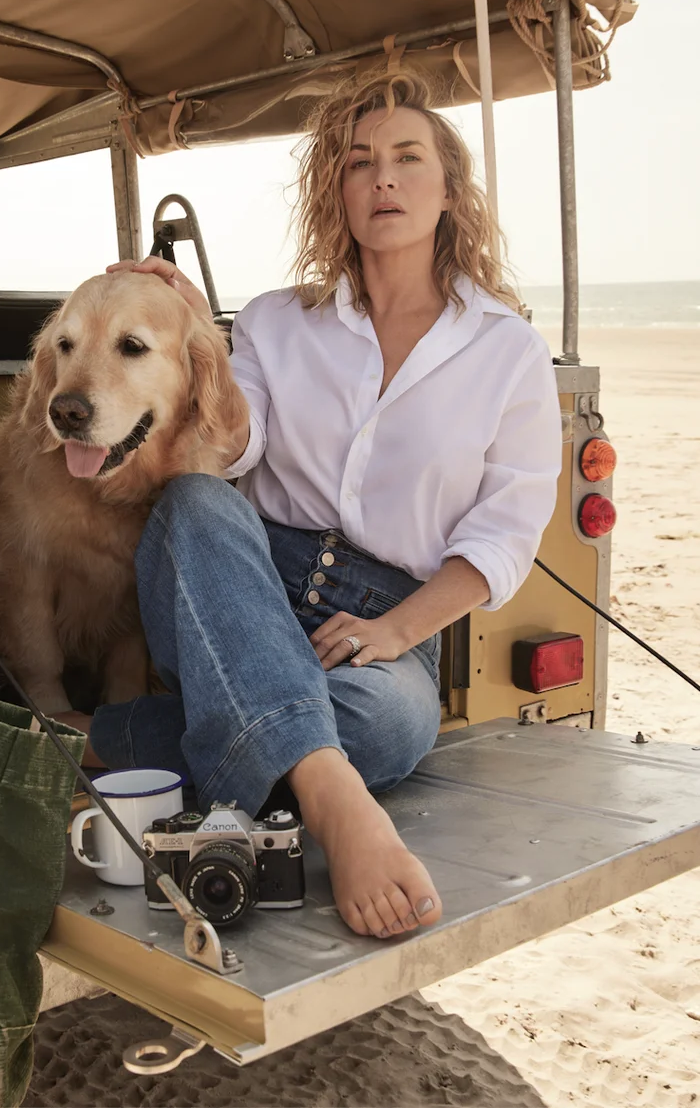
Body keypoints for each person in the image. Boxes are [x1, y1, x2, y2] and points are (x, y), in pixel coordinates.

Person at [55, 69, 562, 940]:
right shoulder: (276, 319)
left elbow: (507, 531)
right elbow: (232, 446)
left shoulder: (507, 350)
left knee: (395, 721)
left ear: (449, 189)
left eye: (408, 158)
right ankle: (335, 800)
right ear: (341, 191)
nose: (384, 178)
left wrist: (400, 630)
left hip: (383, 618)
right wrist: (196, 335)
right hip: (241, 582)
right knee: (195, 502)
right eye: (360, 162)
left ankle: (95, 735)